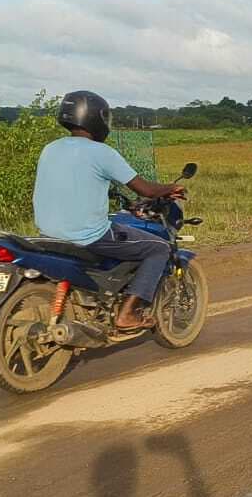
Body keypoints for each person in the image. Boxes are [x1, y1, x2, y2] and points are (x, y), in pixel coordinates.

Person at [33, 91, 185, 330]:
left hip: (47, 234)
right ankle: (128, 314)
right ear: (96, 118)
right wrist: (170, 188)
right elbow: (145, 189)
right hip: (88, 236)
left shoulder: (50, 148)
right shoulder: (102, 153)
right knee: (158, 248)